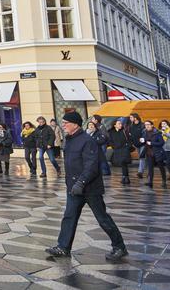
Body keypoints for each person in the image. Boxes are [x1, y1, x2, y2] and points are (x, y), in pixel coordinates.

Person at [45, 111, 127, 261]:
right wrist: (72, 184)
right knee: (69, 217)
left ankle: (119, 247)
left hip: (89, 188)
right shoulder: (69, 140)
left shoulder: (87, 141)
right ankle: (63, 247)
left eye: (65, 123)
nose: (63, 125)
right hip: (74, 188)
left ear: (75, 124)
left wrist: (81, 182)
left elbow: (91, 166)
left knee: (102, 218)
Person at [137, 120, 166, 189]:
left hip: (157, 153)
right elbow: (144, 142)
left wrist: (152, 143)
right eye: (146, 125)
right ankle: (150, 182)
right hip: (149, 153)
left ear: (152, 125)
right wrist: (142, 141)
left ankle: (164, 181)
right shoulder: (144, 132)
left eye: (148, 124)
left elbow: (161, 143)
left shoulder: (157, 133)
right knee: (150, 168)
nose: (147, 126)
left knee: (161, 167)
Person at [109, 118, 132, 185]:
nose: (120, 125)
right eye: (119, 124)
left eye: (121, 124)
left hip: (125, 149)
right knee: (122, 164)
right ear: (114, 125)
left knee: (124, 163)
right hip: (117, 150)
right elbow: (110, 141)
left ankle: (125, 177)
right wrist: (114, 146)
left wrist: (128, 147)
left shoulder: (124, 131)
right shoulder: (111, 132)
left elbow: (130, 139)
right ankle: (125, 177)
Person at [128, 114, 145, 178]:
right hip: (136, 144)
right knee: (141, 158)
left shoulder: (142, 125)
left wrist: (143, 139)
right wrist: (132, 142)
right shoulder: (131, 126)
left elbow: (144, 134)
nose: (130, 118)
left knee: (142, 157)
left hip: (143, 144)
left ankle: (140, 172)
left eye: (131, 117)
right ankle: (144, 170)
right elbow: (130, 135)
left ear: (135, 118)